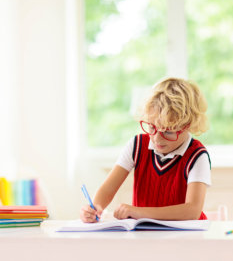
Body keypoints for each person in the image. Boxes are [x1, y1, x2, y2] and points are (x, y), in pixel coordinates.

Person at [80, 77, 211, 222]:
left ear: (188, 126)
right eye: (152, 127)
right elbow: (108, 189)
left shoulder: (197, 156)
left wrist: (138, 212)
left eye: (168, 132)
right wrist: (95, 207)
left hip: (187, 238)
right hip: (146, 235)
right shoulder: (137, 146)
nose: (156, 139)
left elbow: (191, 211)